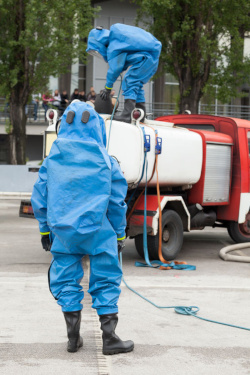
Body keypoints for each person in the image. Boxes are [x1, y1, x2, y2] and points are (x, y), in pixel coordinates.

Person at [31, 101, 134, 356]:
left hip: (63, 232)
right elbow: (116, 202)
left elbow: (40, 197)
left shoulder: (51, 160)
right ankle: (109, 339)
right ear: (96, 127)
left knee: (66, 280)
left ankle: (73, 338)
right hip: (100, 231)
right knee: (107, 279)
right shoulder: (106, 161)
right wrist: (120, 233)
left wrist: (45, 230)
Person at [86, 24, 162, 123]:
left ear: (99, 43)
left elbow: (114, 70)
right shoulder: (118, 41)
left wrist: (107, 88)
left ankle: (127, 115)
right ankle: (141, 113)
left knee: (129, 81)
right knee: (136, 85)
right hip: (150, 58)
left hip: (146, 58)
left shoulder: (114, 47)